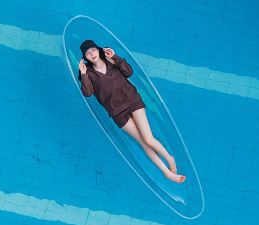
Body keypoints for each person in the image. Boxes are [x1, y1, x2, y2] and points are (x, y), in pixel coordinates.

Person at [78, 39, 186, 183]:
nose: (92, 54)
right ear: (85, 57)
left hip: (132, 101)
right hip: (117, 112)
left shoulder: (111, 61)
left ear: (98, 50)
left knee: (148, 138)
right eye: (87, 53)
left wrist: (115, 57)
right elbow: (88, 93)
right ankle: (167, 173)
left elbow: (129, 72)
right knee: (142, 142)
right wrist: (83, 74)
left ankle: (169, 158)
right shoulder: (87, 74)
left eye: (93, 50)